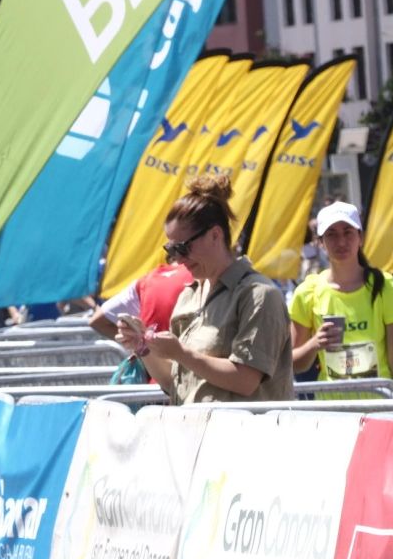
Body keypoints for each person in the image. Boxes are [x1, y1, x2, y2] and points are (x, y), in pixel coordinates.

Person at [114, 173, 294, 404]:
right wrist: (143, 348)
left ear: (215, 235)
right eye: (171, 249)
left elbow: (245, 381)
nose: (177, 259)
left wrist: (181, 353)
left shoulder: (259, 295)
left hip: (244, 436)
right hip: (193, 433)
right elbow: (175, 383)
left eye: (183, 248)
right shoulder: (189, 295)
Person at [287, 202, 393, 394]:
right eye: (332, 234)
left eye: (348, 232)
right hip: (334, 413)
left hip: (382, 409)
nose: (341, 242)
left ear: (360, 237)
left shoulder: (384, 286)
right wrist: (314, 344)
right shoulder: (307, 292)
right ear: (320, 242)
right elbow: (292, 363)